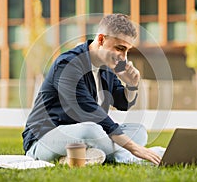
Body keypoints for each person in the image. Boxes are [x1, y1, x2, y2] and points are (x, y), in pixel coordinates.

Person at [22, 14, 164, 165]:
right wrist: (135, 148)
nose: (123, 57)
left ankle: (84, 156)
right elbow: (91, 114)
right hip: (43, 139)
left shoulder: (107, 67)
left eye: (127, 51)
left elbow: (123, 104)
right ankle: (130, 157)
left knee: (138, 131)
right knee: (91, 130)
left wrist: (131, 85)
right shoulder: (68, 64)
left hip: (88, 135)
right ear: (101, 39)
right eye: (120, 48)